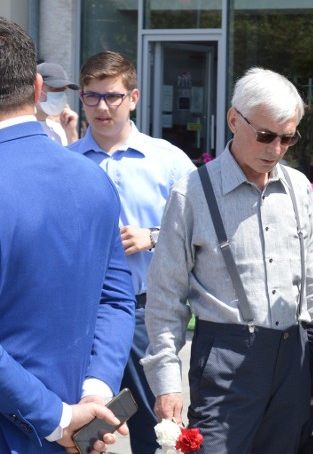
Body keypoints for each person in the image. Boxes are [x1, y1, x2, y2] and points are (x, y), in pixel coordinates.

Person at [142, 67, 313, 453]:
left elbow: (312, 284)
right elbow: (165, 299)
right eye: (266, 135)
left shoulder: (298, 188)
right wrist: (166, 383)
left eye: (288, 138)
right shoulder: (192, 193)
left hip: (293, 362)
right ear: (234, 119)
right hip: (224, 359)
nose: (276, 149)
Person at [0, 17, 135, 453]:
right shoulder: (92, 177)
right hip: (74, 432)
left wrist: (59, 419)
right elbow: (116, 299)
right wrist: (94, 394)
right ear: (39, 89)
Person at [68, 51, 197, 454]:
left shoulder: (169, 161)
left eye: (113, 96)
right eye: (92, 97)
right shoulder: (65, 163)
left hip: (146, 315)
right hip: (81, 316)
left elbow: (201, 230)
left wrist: (155, 236)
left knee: (155, 429)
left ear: (135, 97)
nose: (102, 107)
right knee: (79, 430)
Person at [35, 61, 79, 145]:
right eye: (55, 89)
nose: (59, 95)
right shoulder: (17, 128)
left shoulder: (60, 131)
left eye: (63, 90)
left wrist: (71, 134)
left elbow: (73, 157)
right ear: (36, 88)